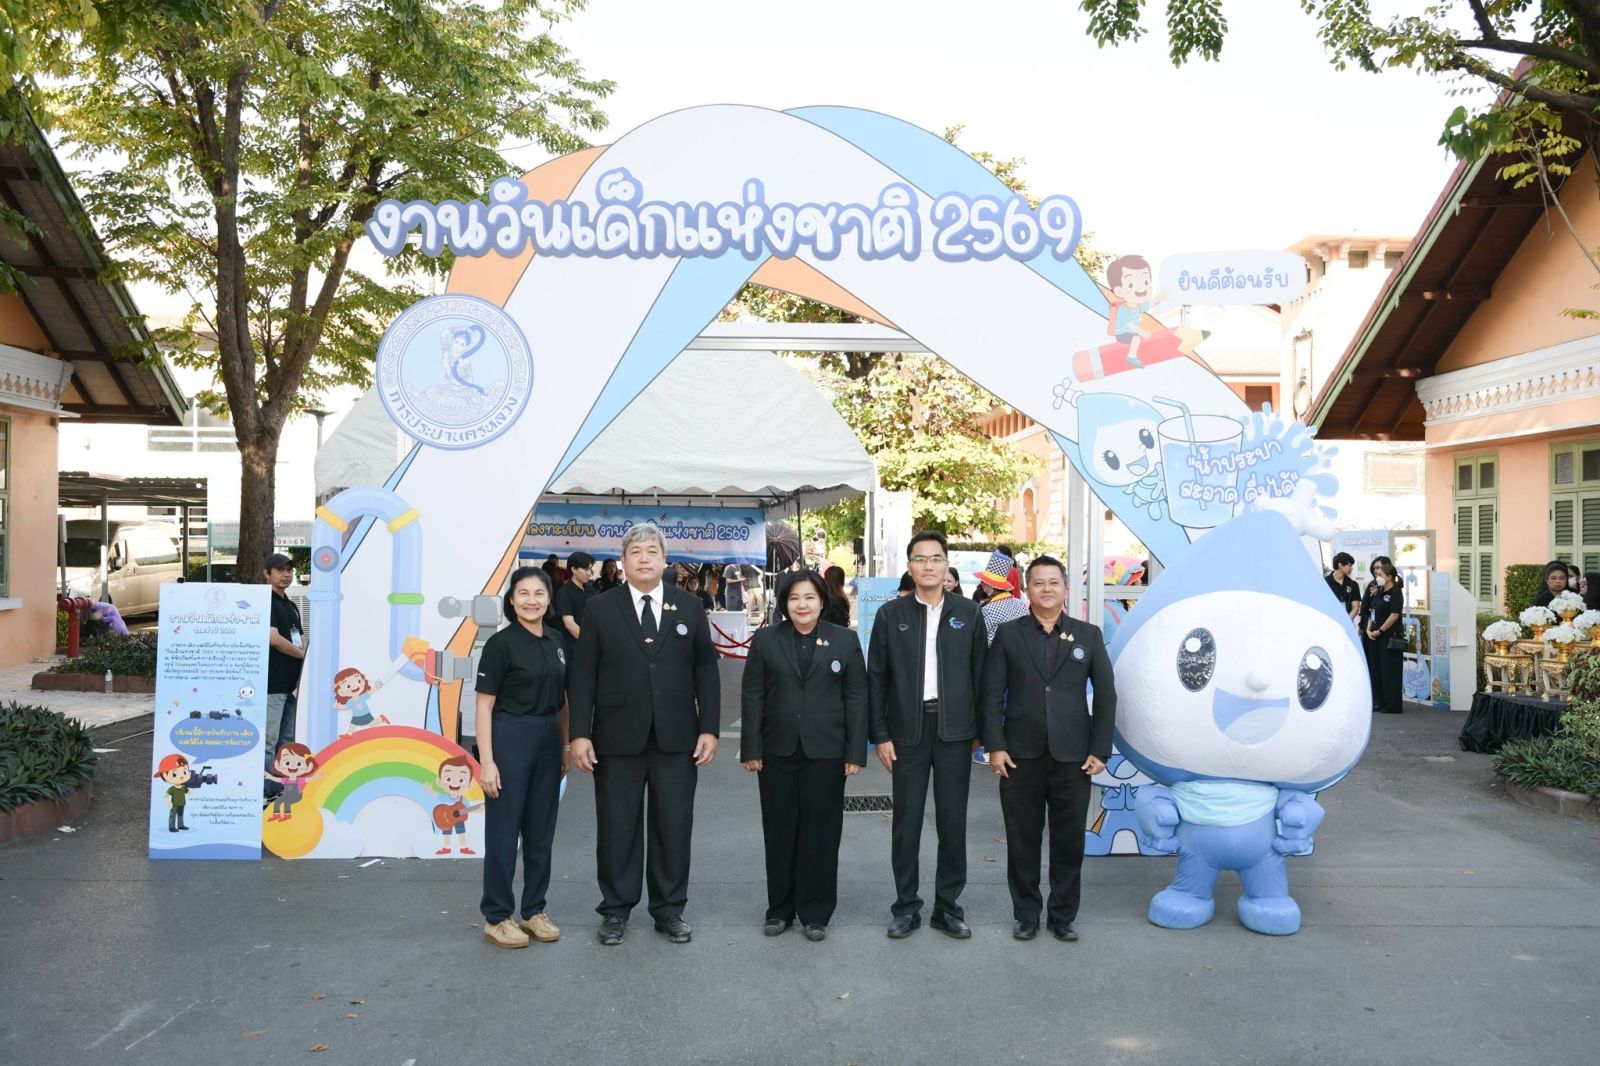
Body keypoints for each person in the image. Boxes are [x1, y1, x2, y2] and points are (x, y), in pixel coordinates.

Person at [568, 523, 721, 946]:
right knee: (617, 826)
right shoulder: (600, 608)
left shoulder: (689, 606)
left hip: (677, 737)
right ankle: (615, 910)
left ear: (664, 559)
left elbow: (706, 669)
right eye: (635, 552)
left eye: (652, 551)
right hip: (616, 737)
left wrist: (709, 727)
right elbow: (583, 673)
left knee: (673, 825)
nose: (644, 558)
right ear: (622, 561)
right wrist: (579, 733)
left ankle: (669, 910)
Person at [981, 556, 1115, 942]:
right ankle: (1026, 914)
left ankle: (1062, 915)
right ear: (1027, 589)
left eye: (1054, 582)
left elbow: (1106, 694)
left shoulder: (1088, 635)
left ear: (1066, 588)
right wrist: (995, 745)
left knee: (1068, 841)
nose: (1047, 589)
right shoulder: (1009, 634)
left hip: (1074, 757)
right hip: (1019, 756)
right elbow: (991, 693)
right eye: (1038, 583)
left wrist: (1100, 749)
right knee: (1023, 839)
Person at [868, 530, 986, 939]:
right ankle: (906, 907)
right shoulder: (891, 615)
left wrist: (981, 733)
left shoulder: (968, 613)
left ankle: (948, 908)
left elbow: (982, 676)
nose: (929, 565)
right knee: (907, 823)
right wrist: (880, 734)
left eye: (936, 558)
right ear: (910, 566)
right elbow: (876, 678)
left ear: (947, 564)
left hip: (955, 731)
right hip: (907, 731)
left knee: (953, 823)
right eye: (920, 559)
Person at [740, 571, 868, 941]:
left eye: (809, 597)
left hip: (827, 751)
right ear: (784, 603)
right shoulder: (766, 640)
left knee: (821, 832)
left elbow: (857, 697)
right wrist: (751, 747)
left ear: (822, 601)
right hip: (776, 751)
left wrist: (855, 751)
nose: (802, 605)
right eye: (794, 598)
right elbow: (753, 694)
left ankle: (816, 912)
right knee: (779, 830)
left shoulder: (844, 640)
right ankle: (779, 909)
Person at [476, 566, 570, 950]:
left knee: (540, 830)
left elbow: (563, 700)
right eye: (524, 594)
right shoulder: (500, 645)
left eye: (539, 593)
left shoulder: (557, 640)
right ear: (512, 600)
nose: (532, 601)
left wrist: (565, 746)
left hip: (549, 738)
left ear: (549, 599)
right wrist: (487, 761)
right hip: (510, 736)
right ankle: (497, 916)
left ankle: (534, 911)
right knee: (504, 831)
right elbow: (484, 706)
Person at [263, 553, 305, 791]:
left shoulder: (290, 604)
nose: (286, 575)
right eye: (280, 570)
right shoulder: (265, 601)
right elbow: (274, 639)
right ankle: (265, 792)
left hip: (291, 685)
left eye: (289, 570)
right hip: (272, 684)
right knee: (269, 741)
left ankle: (280, 790)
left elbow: (299, 639)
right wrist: (302, 656)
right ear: (266, 573)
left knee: (287, 741)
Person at [1366, 560, 1405, 714]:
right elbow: (1372, 610)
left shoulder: (1396, 592)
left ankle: (1392, 704)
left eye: (1380, 575)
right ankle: (1379, 702)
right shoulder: (1380, 591)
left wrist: (1380, 631)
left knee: (1389, 670)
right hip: (1375, 634)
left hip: (1388, 635)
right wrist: (1369, 628)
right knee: (1377, 669)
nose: (1378, 577)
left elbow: (1394, 615)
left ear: (1389, 577)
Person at [1359, 555, 1392, 711]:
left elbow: (1392, 612)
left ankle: (1382, 700)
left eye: (1379, 568)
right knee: (1370, 664)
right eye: (1374, 568)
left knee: (1381, 667)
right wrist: (1363, 627)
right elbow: (1365, 606)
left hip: (1383, 631)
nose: (1376, 571)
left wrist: (1378, 594)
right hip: (1368, 629)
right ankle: (1372, 698)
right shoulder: (1372, 584)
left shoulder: (1391, 587)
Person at [976, 551, 1030, 644]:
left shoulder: (988, 610)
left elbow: (982, 640)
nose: (982, 586)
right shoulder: (1021, 604)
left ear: (991, 586)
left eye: (984, 582)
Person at [554, 551, 595, 641]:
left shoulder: (590, 590)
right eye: (586, 569)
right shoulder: (564, 592)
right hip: (574, 644)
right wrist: (590, 642)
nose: (589, 573)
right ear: (574, 569)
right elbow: (570, 624)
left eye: (590, 569)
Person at [1325, 552, 1360, 625]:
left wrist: (1346, 622)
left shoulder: (1353, 584)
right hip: (1328, 623)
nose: (1352, 568)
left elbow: (1356, 608)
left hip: (1347, 623)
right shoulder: (1325, 582)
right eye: (1350, 565)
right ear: (1340, 564)